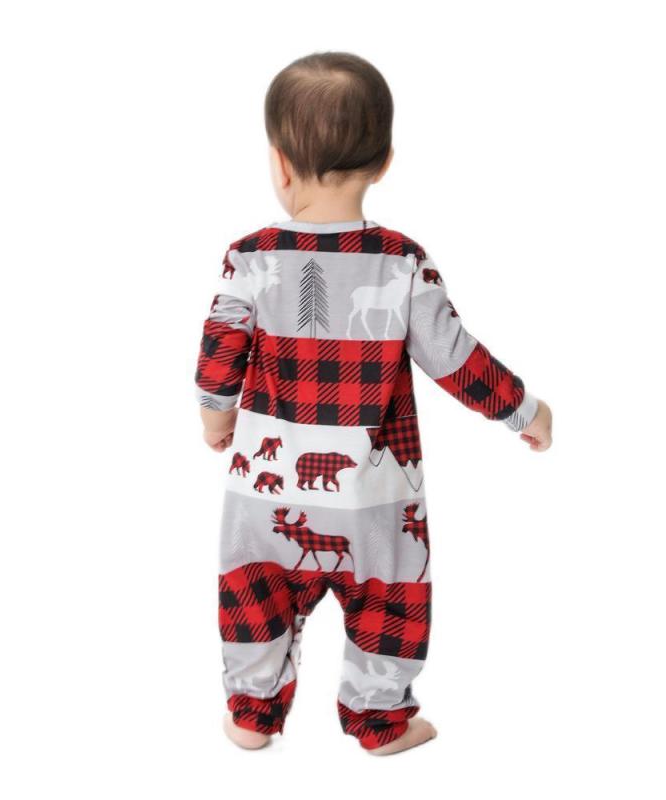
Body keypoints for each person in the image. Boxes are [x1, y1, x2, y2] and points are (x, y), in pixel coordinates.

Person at [195, 52, 553, 755]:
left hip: (265, 501)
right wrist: (524, 410)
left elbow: (219, 353)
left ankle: (252, 714)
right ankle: (382, 722)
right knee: (391, 601)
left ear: (279, 164)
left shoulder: (249, 257)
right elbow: (454, 358)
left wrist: (217, 419)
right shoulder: (402, 261)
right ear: (385, 162)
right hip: (377, 501)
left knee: (253, 594)